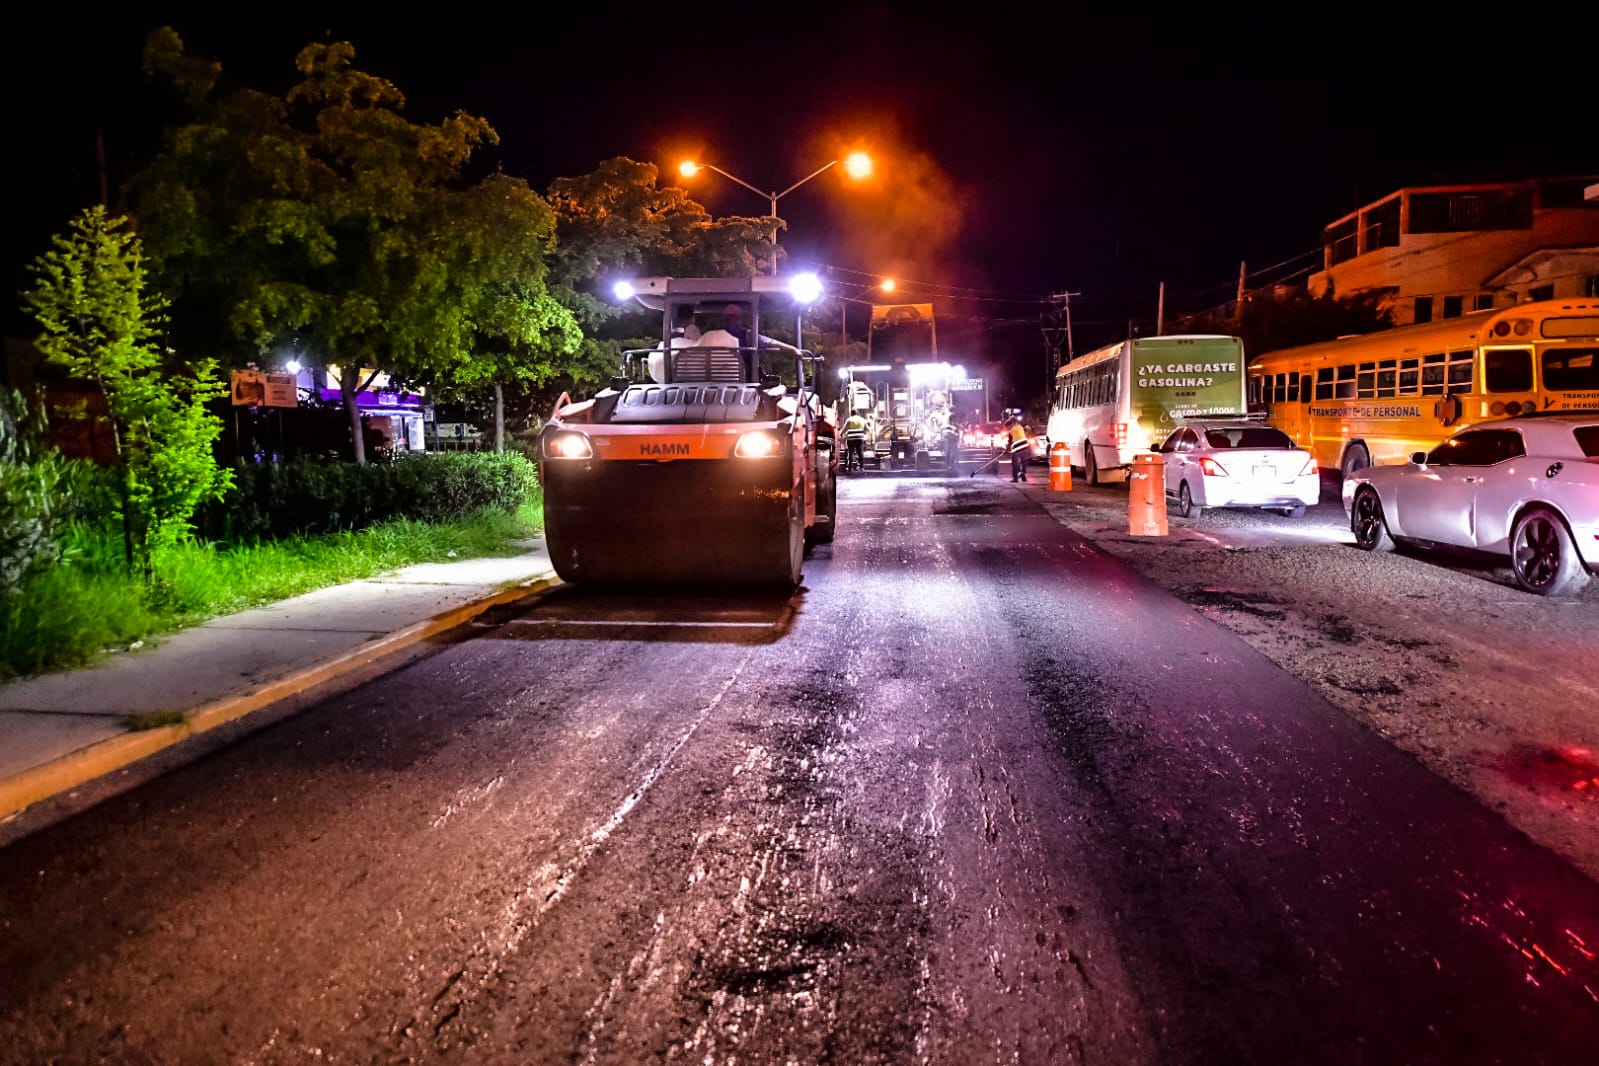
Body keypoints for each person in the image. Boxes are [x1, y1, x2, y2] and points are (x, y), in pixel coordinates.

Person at [1007, 415, 1030, 482]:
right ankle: (1023, 473)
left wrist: (1008, 448)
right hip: (1025, 445)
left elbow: (1010, 441)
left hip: (1017, 446)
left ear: (1012, 422)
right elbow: (1027, 429)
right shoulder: (1020, 426)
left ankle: (1015, 478)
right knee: (1023, 461)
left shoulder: (1011, 430)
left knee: (1015, 462)